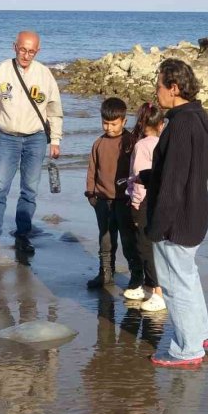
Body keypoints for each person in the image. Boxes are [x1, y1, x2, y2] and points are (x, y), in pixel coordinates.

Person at [141, 58, 208, 367]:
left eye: (158, 86)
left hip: (179, 217)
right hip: (197, 209)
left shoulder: (181, 124)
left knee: (174, 284)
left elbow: (173, 184)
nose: (156, 92)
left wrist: (155, 227)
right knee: (187, 277)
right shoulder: (198, 116)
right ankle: (200, 335)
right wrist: (149, 177)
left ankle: (188, 350)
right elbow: (183, 170)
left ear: (173, 88)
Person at [0, 31, 63, 256]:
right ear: (14, 46)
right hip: (8, 137)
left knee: (29, 190)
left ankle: (22, 235)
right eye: (23, 49)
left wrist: (55, 140)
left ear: (38, 51)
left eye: (31, 51)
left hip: (36, 139)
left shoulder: (44, 75)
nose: (26, 55)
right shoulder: (1, 71)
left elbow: (54, 110)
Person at [84, 97, 143, 290]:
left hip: (125, 201)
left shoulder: (131, 142)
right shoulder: (98, 144)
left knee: (128, 241)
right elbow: (92, 168)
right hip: (102, 200)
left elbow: (138, 169)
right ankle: (105, 274)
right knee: (106, 240)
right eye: (105, 123)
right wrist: (91, 193)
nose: (109, 128)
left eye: (113, 124)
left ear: (124, 121)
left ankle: (136, 277)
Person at [123, 102, 166, 312]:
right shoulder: (162, 144)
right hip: (159, 201)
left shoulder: (142, 146)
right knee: (152, 245)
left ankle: (157, 291)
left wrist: (136, 202)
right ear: (161, 124)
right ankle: (150, 287)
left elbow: (140, 177)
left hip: (143, 202)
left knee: (144, 246)